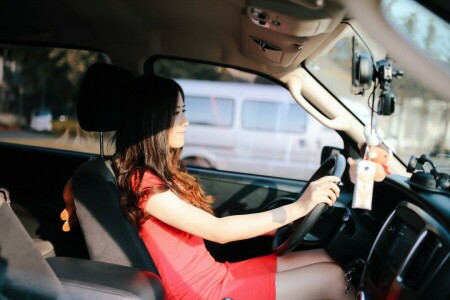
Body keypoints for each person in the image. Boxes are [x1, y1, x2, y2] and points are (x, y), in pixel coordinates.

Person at [111, 74, 354, 300]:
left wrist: (281, 224)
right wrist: (297, 208)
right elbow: (218, 231)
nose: (186, 121)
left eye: (183, 111)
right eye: (176, 113)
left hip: (216, 274)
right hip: (202, 292)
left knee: (324, 257)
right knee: (333, 278)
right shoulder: (141, 182)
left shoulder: (161, 174)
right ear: (152, 120)